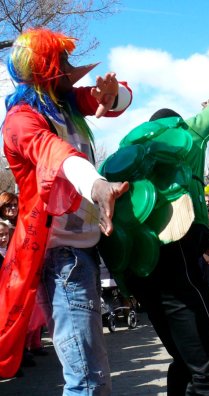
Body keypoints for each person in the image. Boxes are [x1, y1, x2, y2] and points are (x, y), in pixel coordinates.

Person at [0, 28, 132, 393]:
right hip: (61, 257)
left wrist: (112, 94)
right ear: (45, 70)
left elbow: (118, 101)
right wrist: (96, 185)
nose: (71, 69)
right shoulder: (21, 120)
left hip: (83, 250)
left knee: (92, 373)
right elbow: (54, 154)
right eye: (63, 62)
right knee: (87, 379)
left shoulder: (65, 103)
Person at [125, 107, 209, 395]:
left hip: (143, 265)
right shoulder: (185, 138)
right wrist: (191, 125)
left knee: (186, 365)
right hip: (178, 259)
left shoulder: (133, 165)